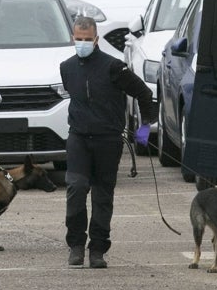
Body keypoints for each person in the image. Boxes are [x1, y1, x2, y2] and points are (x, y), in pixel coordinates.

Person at [59, 16, 154, 268]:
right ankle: (76, 245)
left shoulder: (114, 67)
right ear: (72, 38)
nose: (82, 43)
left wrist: (144, 127)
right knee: (76, 188)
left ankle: (98, 248)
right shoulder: (66, 67)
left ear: (96, 39)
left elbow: (144, 93)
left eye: (87, 40)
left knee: (102, 195)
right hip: (78, 137)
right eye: (78, 39)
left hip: (108, 140)